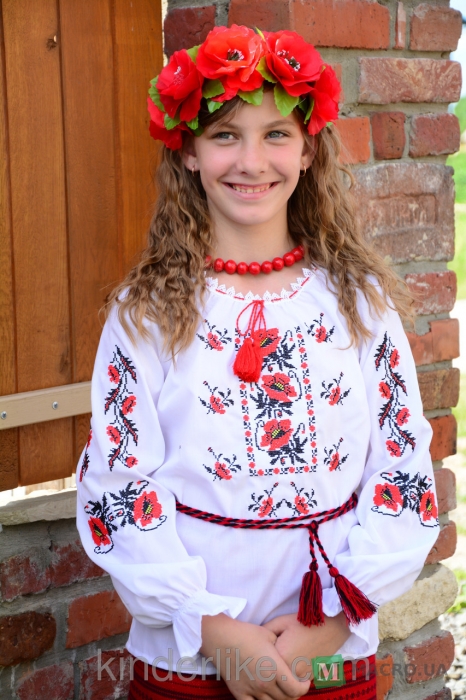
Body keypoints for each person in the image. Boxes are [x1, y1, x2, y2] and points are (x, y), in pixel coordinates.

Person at [76, 25, 440, 700]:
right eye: (225, 136)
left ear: (308, 149)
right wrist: (213, 629)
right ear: (188, 152)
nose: (252, 161)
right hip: (190, 659)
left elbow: (402, 467)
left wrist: (332, 622)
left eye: (276, 134)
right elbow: (118, 485)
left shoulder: (358, 300)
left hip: (329, 655)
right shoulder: (144, 313)